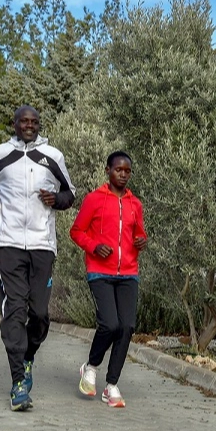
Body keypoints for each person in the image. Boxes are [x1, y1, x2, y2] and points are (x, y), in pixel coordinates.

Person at [0, 105, 75, 411]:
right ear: (15, 124)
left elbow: (69, 194)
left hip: (43, 243)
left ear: (38, 125)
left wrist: (55, 199)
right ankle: (18, 382)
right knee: (15, 311)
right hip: (8, 242)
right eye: (24, 121)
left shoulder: (52, 156)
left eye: (34, 122)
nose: (29, 126)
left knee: (40, 314)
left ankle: (28, 356)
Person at [70, 150, 147, 408]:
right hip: (99, 271)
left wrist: (141, 241)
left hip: (128, 272)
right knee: (109, 324)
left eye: (127, 171)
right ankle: (91, 367)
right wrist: (93, 246)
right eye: (118, 170)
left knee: (126, 327)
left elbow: (139, 234)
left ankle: (111, 385)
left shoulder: (135, 204)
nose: (123, 174)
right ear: (108, 170)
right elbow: (77, 230)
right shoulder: (94, 199)